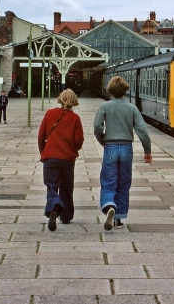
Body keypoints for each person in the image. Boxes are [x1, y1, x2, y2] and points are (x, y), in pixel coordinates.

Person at [94, 76, 152, 231]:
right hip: (126, 148)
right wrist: (147, 151)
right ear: (125, 91)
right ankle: (118, 219)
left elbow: (97, 127)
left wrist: (102, 140)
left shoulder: (105, 107)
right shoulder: (131, 108)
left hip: (111, 148)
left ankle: (109, 206)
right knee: (124, 184)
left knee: (108, 182)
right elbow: (143, 131)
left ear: (110, 91)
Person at [38, 89, 84, 231]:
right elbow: (78, 141)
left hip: (50, 157)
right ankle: (66, 216)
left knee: (51, 185)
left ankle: (54, 206)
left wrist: (44, 152)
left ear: (60, 99)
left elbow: (41, 136)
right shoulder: (75, 118)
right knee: (66, 187)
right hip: (67, 160)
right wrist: (73, 148)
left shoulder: (50, 114)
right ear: (74, 101)